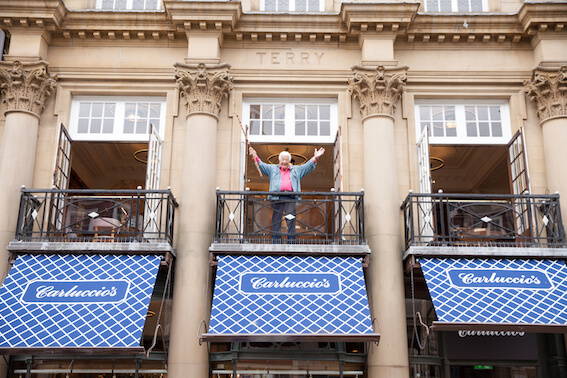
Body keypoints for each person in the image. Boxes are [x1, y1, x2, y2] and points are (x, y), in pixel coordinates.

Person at [249, 146, 325, 241]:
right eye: (282, 160)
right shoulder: (273, 169)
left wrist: (316, 157)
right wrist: (255, 155)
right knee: (276, 218)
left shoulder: (296, 170)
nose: (284, 162)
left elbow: (307, 166)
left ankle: (291, 240)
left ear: (289, 161)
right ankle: (276, 239)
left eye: (286, 160)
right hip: (277, 197)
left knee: (290, 218)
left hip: (290, 197)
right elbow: (261, 165)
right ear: (279, 160)